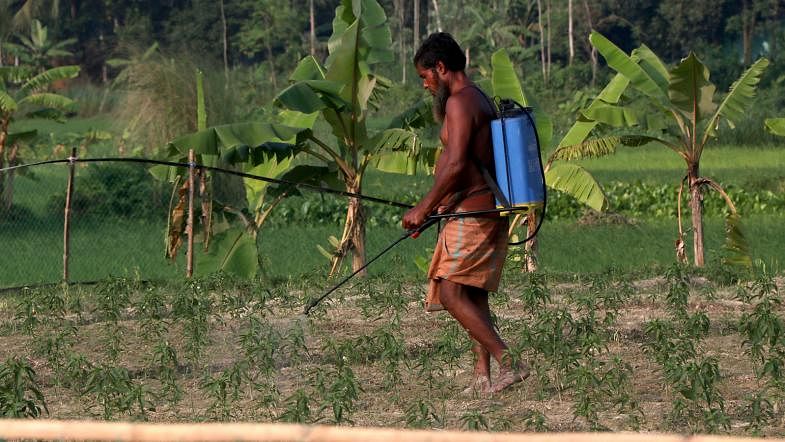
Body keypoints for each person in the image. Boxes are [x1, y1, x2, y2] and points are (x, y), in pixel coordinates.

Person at [402, 32, 529, 394]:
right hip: (473, 207)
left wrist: (423, 207)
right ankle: (482, 375)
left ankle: (510, 361)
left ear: (440, 68)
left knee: (451, 294)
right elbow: (467, 164)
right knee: (472, 294)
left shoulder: (460, 103)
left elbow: (457, 163)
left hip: (473, 212)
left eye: (425, 76)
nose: (425, 85)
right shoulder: (476, 98)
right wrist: (441, 204)